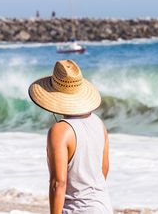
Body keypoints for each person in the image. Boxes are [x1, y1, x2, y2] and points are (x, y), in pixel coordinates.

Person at [28, 60, 113, 214]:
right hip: (103, 206)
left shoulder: (60, 130)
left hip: (77, 210)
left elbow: (58, 183)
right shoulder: (98, 123)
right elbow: (104, 168)